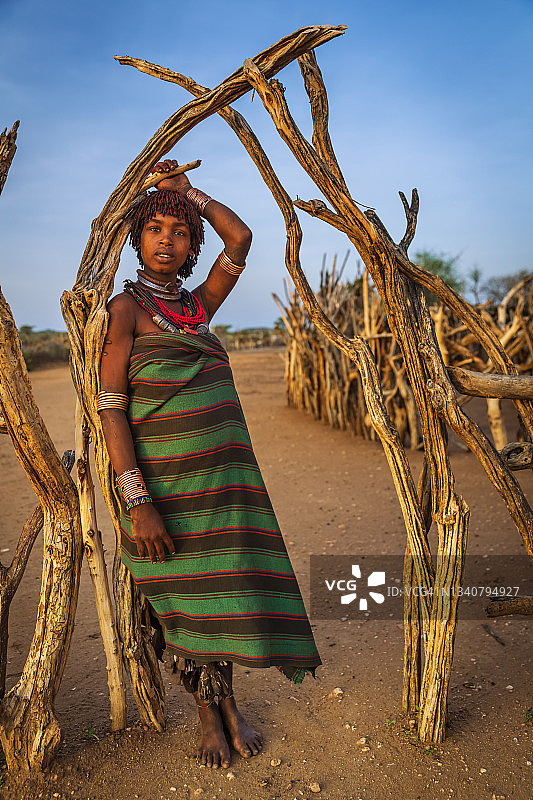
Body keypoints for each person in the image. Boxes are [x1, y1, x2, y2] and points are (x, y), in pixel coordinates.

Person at [98, 158, 321, 769]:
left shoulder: (196, 307)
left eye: (179, 230)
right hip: (167, 491)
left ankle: (228, 705)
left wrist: (187, 194)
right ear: (135, 239)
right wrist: (137, 499)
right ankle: (206, 712)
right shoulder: (124, 311)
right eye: (155, 229)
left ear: (194, 243)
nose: (166, 239)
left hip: (224, 487)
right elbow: (112, 408)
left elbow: (242, 238)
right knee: (193, 600)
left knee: (225, 591)